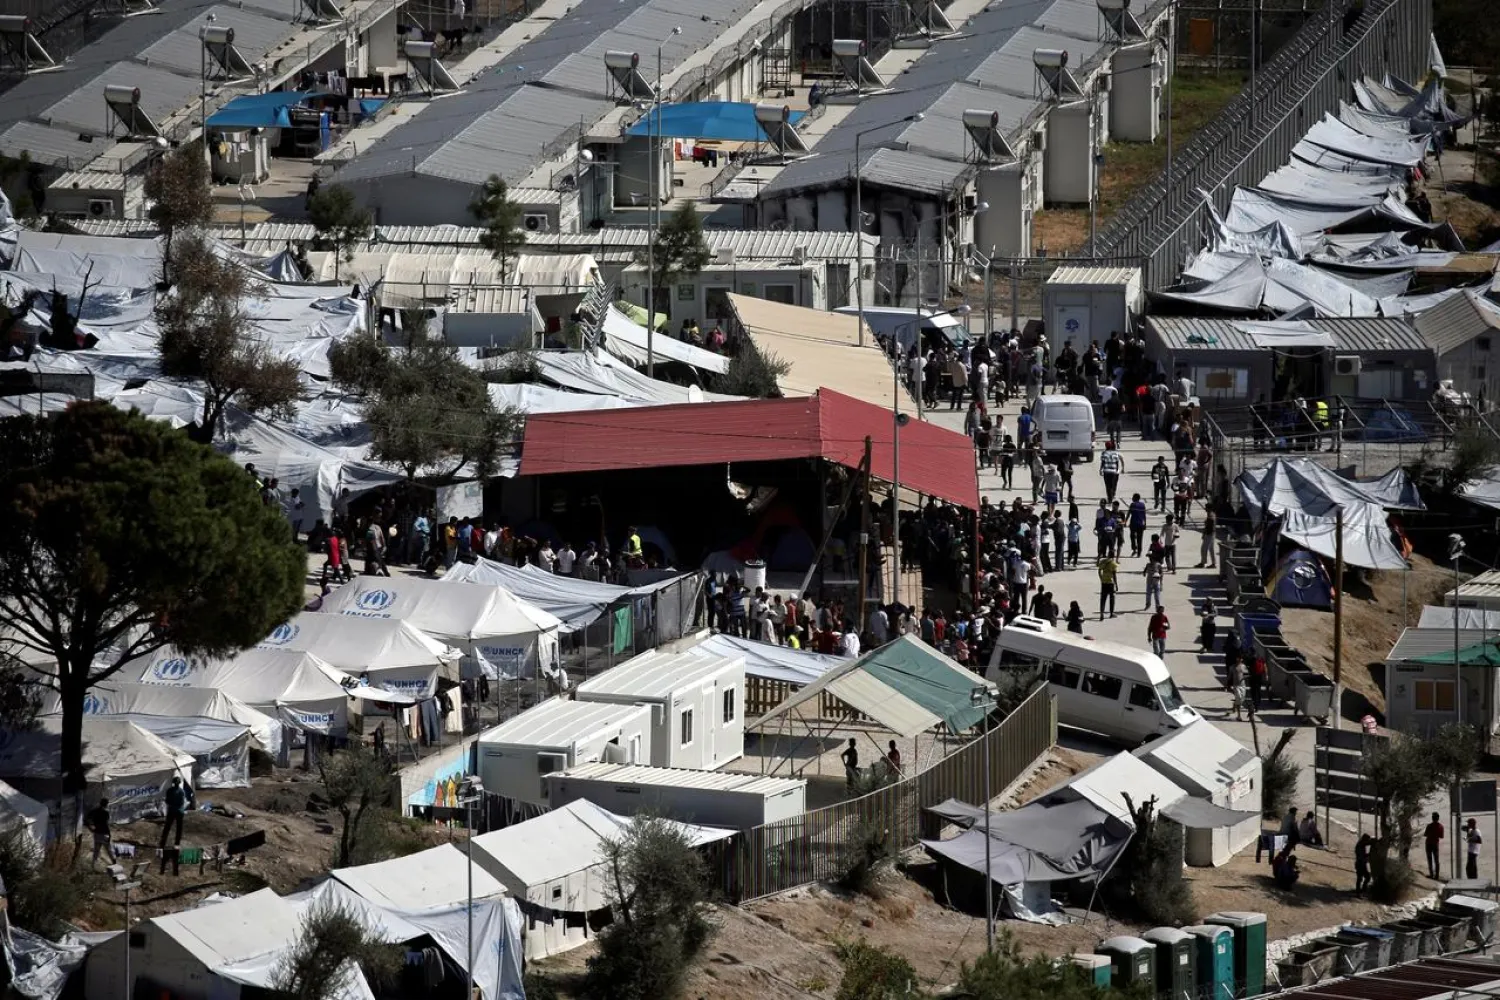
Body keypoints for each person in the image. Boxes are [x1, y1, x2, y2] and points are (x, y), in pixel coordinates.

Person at [160, 775, 193, 849]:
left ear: (173, 783)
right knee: (179, 828)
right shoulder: (181, 791)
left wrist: (171, 804)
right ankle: (177, 844)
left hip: (171, 811)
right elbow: (181, 802)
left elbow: (167, 800)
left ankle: (162, 843)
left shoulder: (169, 790)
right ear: (179, 783)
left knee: (167, 827)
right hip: (179, 811)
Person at [86, 797, 113, 868]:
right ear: (106, 804)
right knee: (109, 850)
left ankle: (93, 866)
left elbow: (86, 820)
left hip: (97, 833)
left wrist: (90, 828)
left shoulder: (94, 811)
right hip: (105, 833)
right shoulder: (106, 813)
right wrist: (109, 835)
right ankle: (115, 864)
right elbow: (106, 824)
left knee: (96, 851)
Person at [1425, 812, 1445, 879]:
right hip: (1435, 844)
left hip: (1428, 844)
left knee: (1430, 859)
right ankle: (1437, 876)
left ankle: (1431, 874)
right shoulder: (1441, 826)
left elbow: (1425, 834)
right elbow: (1441, 836)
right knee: (1436, 860)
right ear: (1438, 818)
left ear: (1432, 818)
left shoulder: (1429, 826)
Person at [1098, 555, 1118, 620]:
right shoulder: (1113, 563)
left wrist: (1101, 578)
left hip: (1104, 583)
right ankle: (1111, 613)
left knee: (1103, 599)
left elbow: (1099, 571)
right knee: (1112, 598)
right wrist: (1116, 584)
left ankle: (1101, 614)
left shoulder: (1103, 561)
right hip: (1110, 583)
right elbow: (1114, 575)